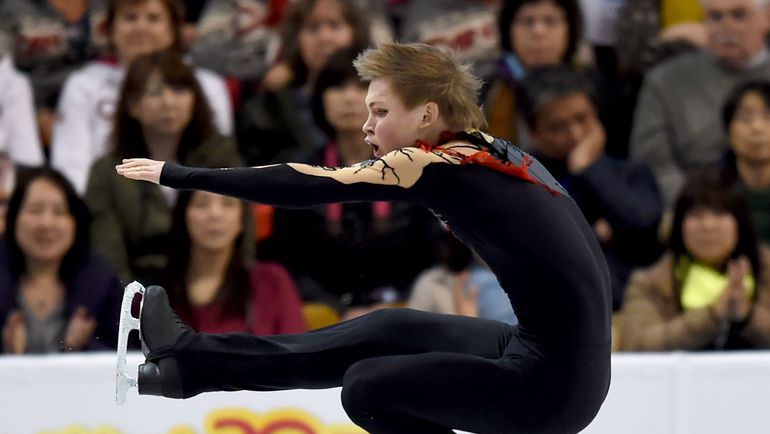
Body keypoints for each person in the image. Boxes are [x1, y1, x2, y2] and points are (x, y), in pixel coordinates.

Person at [116, 42, 611, 434]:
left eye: (380, 112)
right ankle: (189, 366)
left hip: (552, 386)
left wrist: (179, 175)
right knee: (389, 331)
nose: (366, 126)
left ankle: (191, 363)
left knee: (366, 387)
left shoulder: (432, 163)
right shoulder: (486, 151)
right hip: (563, 361)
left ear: (427, 115)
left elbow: (309, 184)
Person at [257, 48, 442, 315]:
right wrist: (339, 311)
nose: (349, 98)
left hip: (402, 312)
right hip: (323, 316)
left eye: (363, 88)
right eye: (337, 87)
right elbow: (288, 265)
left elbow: (431, 259)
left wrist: (391, 307)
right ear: (320, 99)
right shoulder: (299, 174)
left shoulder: (417, 170)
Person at [85, 50, 243, 285]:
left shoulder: (222, 158)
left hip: (215, 288)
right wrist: (134, 302)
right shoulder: (107, 172)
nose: (168, 102)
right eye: (155, 92)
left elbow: (242, 238)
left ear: (194, 99)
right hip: (140, 290)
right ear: (133, 105)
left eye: (178, 90)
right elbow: (108, 256)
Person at [517, 65, 663, 310]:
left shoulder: (629, 171)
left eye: (582, 119)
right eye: (558, 127)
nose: (575, 134)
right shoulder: (521, 181)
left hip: (634, 302)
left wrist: (589, 169)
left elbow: (643, 225)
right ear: (534, 132)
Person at [51, 0, 234, 194]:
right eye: (130, 18)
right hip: (106, 200)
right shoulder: (83, 85)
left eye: (153, 18)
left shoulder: (207, 85)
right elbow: (70, 166)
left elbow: (219, 159)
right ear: (111, 29)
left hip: (195, 202)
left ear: (173, 28)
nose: (141, 27)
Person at [629, 0, 770, 208]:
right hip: (695, 212)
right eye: (715, 17)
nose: (726, 27)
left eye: (739, 15)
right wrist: (702, 206)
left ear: (767, 17)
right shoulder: (665, 80)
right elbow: (652, 166)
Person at [618, 168, 770, 350]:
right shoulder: (649, 283)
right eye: (696, 215)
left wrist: (748, 316)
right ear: (679, 224)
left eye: (719, 213)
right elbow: (637, 345)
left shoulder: (766, 270)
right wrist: (711, 315)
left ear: (741, 222)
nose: (708, 225)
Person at [0, 167, 121, 354]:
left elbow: (128, 355)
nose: (46, 223)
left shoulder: (100, 282)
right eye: (35, 210)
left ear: (75, 222)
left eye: (59, 212)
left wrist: (83, 347)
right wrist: (5, 352)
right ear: (14, 217)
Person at [236, 0, 371, 166]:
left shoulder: (379, 88)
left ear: (356, 32)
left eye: (335, 26)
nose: (324, 38)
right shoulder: (272, 101)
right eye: (313, 28)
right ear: (296, 38)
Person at [164, 188, 306, 335]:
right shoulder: (158, 291)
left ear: (243, 218)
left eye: (228, 204)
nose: (215, 214)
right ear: (183, 214)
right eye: (201, 204)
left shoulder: (271, 281)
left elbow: (295, 345)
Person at [721, 80, 770, 244]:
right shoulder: (708, 187)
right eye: (745, 117)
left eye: (768, 116)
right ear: (728, 131)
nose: (757, 127)